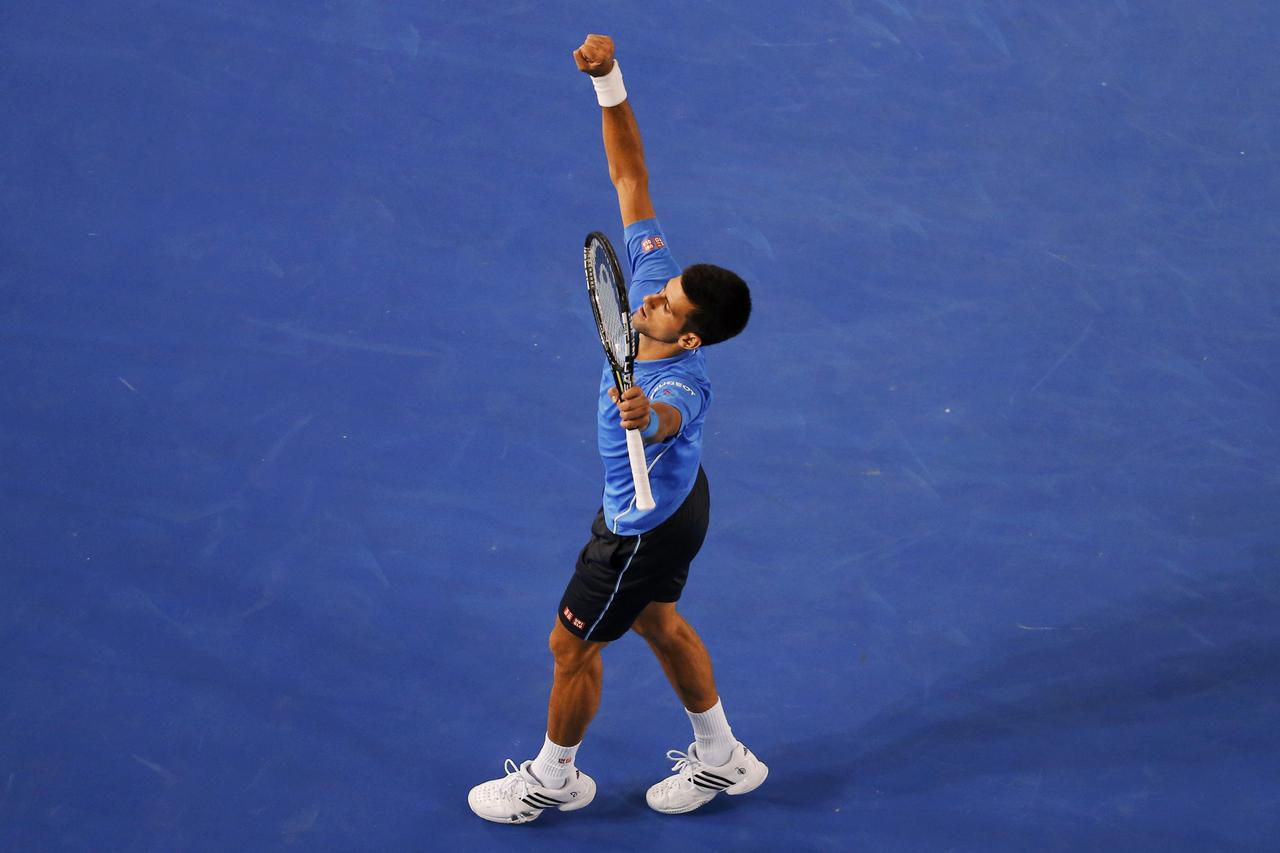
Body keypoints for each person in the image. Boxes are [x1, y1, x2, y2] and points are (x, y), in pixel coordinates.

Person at [467, 33, 764, 824]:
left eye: (666, 308)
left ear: (691, 337)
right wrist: (609, 79)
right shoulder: (660, 275)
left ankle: (552, 777)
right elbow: (630, 174)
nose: (651, 298)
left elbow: (671, 414)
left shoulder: (682, 384)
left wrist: (649, 414)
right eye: (660, 293)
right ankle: (724, 757)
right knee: (660, 622)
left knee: (573, 647)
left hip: (639, 524)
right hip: (680, 504)